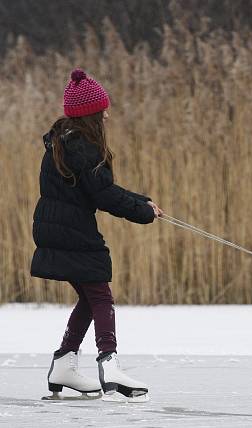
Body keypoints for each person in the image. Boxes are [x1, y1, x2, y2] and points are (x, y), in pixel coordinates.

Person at [31, 68, 162, 402]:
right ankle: (110, 363)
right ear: (90, 114)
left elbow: (99, 188)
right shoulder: (84, 148)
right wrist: (143, 214)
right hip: (71, 231)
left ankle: (64, 363)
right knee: (100, 294)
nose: (107, 113)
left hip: (57, 227)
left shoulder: (67, 140)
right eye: (102, 108)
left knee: (90, 297)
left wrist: (141, 201)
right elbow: (103, 196)